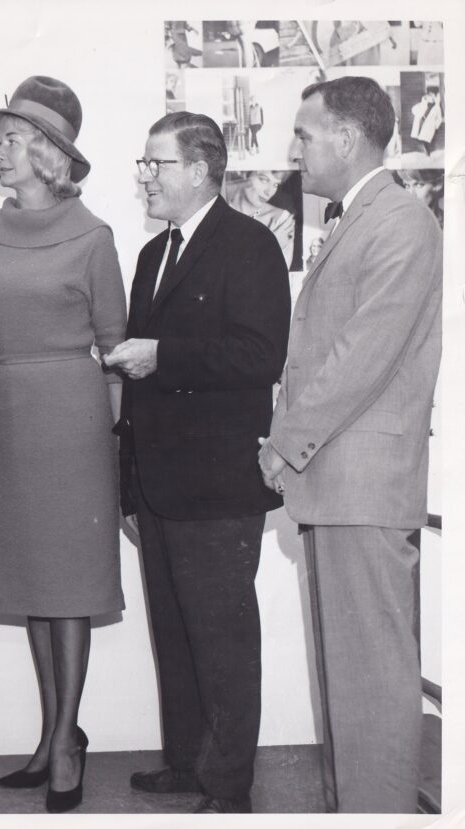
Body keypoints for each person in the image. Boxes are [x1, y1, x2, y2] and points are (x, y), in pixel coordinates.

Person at [259, 75, 442, 814]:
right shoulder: (361, 216)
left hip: (360, 480)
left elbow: (359, 358)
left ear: (347, 136)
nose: (295, 148)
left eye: (304, 133)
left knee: (370, 681)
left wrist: (283, 442)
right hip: (338, 482)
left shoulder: (399, 220)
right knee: (347, 680)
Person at [105, 112, 290, 814]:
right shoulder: (156, 254)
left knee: (222, 640)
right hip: (157, 486)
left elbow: (259, 356)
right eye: (144, 164)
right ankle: (187, 763)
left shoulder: (249, 246)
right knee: (177, 634)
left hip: (218, 489)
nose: (145, 177)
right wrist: (129, 486)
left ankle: (229, 786)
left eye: (157, 164)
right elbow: (139, 383)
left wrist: (163, 356)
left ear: (200, 169)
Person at [0, 76, 127, 814]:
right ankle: (58, 732)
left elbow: (116, 347)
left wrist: (112, 447)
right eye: (0, 139)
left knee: (69, 585)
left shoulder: (94, 236)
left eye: (15, 137)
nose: (2, 149)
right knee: (32, 583)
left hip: (75, 423)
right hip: (9, 415)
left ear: (50, 154)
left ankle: (63, 744)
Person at [226, 170, 296, 268]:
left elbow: (279, 278)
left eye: (275, 185)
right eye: (264, 180)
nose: (269, 192)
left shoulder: (280, 219)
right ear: (244, 175)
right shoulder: (218, 212)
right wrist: (271, 246)